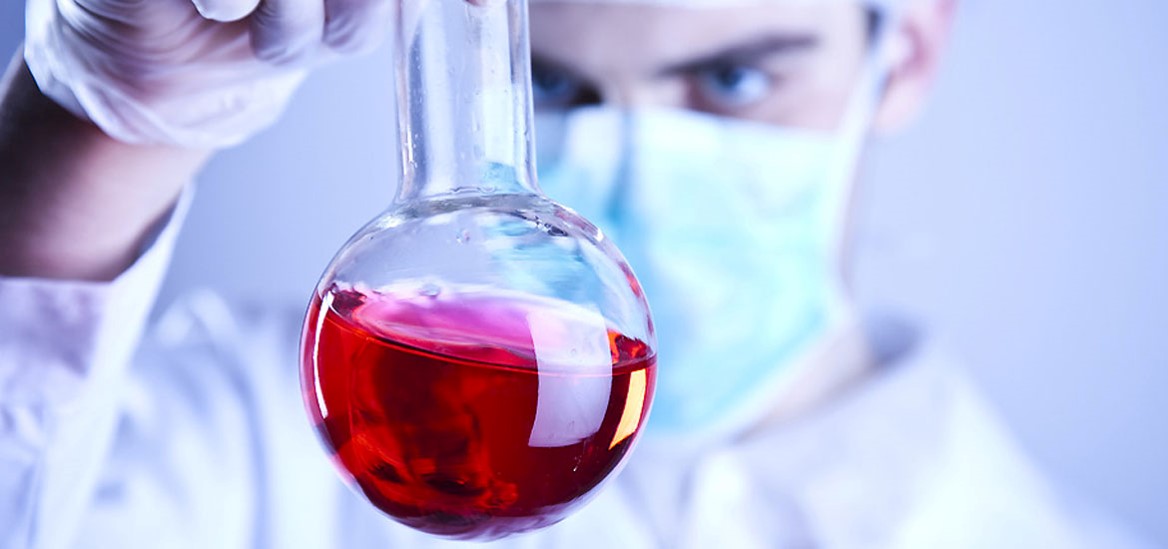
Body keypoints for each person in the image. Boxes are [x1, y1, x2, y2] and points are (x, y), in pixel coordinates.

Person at [0, 0, 1146, 547]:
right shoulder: (250, 430)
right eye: (551, 88)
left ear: (907, 54)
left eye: (735, 82)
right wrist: (105, 126)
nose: (630, 168)